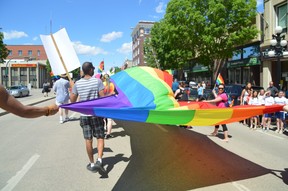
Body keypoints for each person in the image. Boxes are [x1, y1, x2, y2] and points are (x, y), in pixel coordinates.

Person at [70, 62, 106, 173]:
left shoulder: (77, 84)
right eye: (93, 69)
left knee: (88, 140)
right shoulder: (97, 81)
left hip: (84, 116)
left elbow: (73, 101)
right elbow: (102, 98)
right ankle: (99, 160)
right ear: (90, 70)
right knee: (100, 137)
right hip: (96, 114)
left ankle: (92, 163)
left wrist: (73, 90)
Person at [102, 73, 117, 139]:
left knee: (102, 118)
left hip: (103, 102)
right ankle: (108, 134)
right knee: (110, 119)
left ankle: (103, 131)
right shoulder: (112, 84)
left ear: (104, 78)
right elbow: (116, 93)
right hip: (111, 102)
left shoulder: (102, 84)